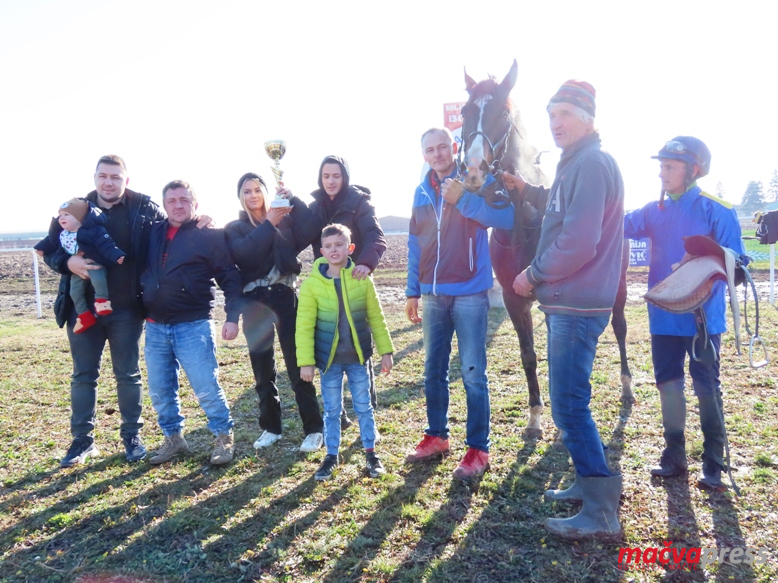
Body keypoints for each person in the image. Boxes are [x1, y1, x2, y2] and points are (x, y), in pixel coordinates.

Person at [508, 80, 625, 540]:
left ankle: (600, 513)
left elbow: (579, 239)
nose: (556, 124)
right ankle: (586, 481)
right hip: (570, 300)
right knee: (571, 403)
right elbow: (561, 216)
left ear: (589, 118)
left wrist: (533, 274)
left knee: (569, 406)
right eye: (551, 115)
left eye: (566, 115)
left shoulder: (592, 163)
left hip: (576, 302)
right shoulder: (577, 163)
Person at [624, 137, 746, 490]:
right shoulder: (652, 210)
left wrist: (709, 259)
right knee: (668, 385)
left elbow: (737, 263)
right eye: (660, 166)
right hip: (663, 315)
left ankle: (714, 461)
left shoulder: (716, 209)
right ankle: (674, 455)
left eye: (669, 167)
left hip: (702, 318)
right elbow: (616, 225)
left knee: (706, 385)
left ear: (693, 170)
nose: (662, 173)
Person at [404, 127, 514, 480]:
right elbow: (414, 244)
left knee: (472, 373)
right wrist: (412, 290)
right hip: (433, 295)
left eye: (442, 147)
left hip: (469, 292)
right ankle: (437, 435)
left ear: (454, 148)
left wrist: (464, 199)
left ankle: (478, 448)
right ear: (423, 155)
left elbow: (506, 218)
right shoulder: (421, 192)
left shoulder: (474, 179)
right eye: (429, 150)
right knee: (433, 369)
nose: (436, 154)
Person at [42, 155, 166, 468]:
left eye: (115, 176)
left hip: (126, 310)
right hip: (82, 312)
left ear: (126, 179)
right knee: (84, 376)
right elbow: (51, 249)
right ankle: (82, 441)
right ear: (95, 178)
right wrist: (67, 263)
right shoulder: (74, 208)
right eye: (103, 176)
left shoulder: (144, 209)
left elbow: (172, 232)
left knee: (128, 374)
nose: (108, 182)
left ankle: (132, 438)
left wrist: (202, 219)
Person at [141, 180, 243, 466]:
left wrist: (233, 316)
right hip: (155, 326)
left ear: (195, 204)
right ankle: (174, 439)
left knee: (206, 387)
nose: (178, 205)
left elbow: (229, 276)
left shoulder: (208, 235)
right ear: (164, 205)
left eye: (184, 200)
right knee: (160, 390)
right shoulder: (152, 232)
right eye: (172, 200)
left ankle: (224, 437)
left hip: (193, 325)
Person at [225, 172, 324, 453]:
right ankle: (271, 427)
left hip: (284, 296)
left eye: (257, 189)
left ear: (266, 193)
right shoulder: (235, 228)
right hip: (255, 301)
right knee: (262, 367)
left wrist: (293, 198)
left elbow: (313, 227)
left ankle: (314, 429)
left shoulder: (286, 221)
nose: (253, 195)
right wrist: (269, 222)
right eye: (247, 191)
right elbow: (245, 255)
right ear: (240, 197)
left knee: (298, 362)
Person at [296, 223, 394, 480]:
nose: (334, 250)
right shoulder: (311, 285)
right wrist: (306, 362)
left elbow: (376, 317)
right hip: (330, 362)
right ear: (320, 251)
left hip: (359, 360)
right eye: (328, 246)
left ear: (350, 248)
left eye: (339, 245)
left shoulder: (362, 280)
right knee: (331, 410)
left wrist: (386, 351)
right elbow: (303, 326)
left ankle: (371, 454)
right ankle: (331, 456)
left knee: (364, 407)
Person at [307, 155, 386, 427]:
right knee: (328, 341)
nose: (330, 181)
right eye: (326, 176)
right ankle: (337, 414)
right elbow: (296, 233)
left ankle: (368, 408)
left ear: (345, 177)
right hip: (326, 284)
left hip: (354, 279)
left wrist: (365, 263)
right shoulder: (315, 206)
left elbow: (376, 236)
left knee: (358, 341)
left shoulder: (360, 203)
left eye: (336, 176)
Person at [35, 198, 126, 334]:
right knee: (74, 292)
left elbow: (107, 245)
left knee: (98, 279)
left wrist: (117, 255)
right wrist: (41, 248)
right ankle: (84, 315)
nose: (61, 218)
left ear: (80, 218)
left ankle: (102, 301)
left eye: (67, 215)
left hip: (93, 262)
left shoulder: (94, 230)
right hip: (75, 271)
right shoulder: (62, 234)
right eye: (60, 215)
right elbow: (50, 241)